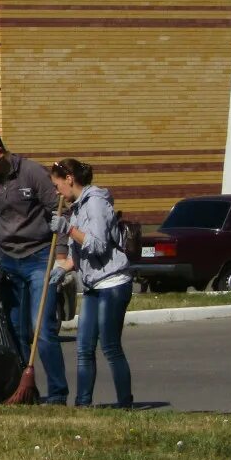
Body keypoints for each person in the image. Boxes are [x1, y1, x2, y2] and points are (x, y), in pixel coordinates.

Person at [0, 129, 68, 404]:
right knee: (17, 330)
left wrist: (61, 256)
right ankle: (27, 391)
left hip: (39, 258)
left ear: (0, 152)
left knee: (41, 328)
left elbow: (59, 213)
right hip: (9, 262)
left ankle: (58, 393)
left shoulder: (32, 173)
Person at [49, 159, 134, 408]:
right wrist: (62, 269)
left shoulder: (96, 203)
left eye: (57, 185)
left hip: (113, 283)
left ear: (70, 179)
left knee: (109, 346)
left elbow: (97, 244)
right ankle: (82, 404)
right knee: (83, 348)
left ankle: (125, 404)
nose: (57, 192)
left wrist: (67, 228)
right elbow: (82, 256)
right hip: (93, 286)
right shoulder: (76, 208)